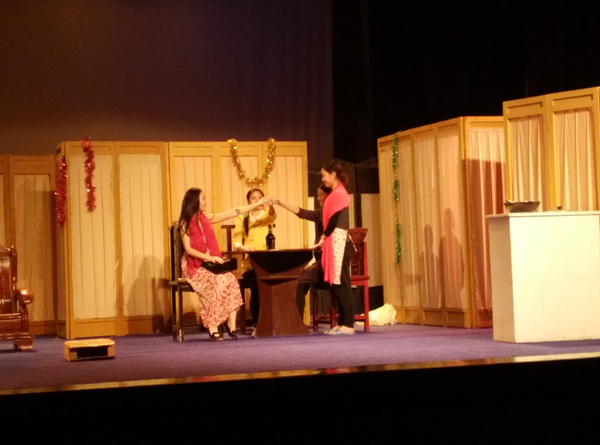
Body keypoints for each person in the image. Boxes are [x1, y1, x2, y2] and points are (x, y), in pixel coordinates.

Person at [178, 187, 270, 341]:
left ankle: (231, 323)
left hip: (209, 265)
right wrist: (210, 258)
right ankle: (213, 325)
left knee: (230, 279)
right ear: (194, 201)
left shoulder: (206, 218)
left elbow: (233, 212)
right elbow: (188, 249)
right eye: (203, 199)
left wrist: (254, 205)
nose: (206, 202)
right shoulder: (185, 223)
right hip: (194, 266)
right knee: (217, 281)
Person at [277, 184, 331, 319]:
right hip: (320, 263)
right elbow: (302, 213)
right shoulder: (320, 214)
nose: (319, 198)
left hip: (329, 264)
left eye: (321, 195)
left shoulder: (333, 216)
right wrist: (282, 204)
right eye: (318, 195)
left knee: (300, 282)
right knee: (301, 281)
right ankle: (298, 321)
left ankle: (298, 321)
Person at [314, 160, 355, 335]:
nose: (322, 179)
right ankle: (342, 322)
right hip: (334, 241)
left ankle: (348, 324)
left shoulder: (339, 193)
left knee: (342, 283)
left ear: (333, 174)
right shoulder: (334, 193)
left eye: (324, 175)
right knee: (337, 283)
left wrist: (323, 237)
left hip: (340, 242)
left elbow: (334, 220)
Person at [232, 188, 277, 326]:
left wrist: (271, 205)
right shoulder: (242, 218)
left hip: (267, 262)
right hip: (250, 264)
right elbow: (236, 242)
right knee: (256, 286)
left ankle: (272, 321)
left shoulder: (266, 214)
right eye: (253, 198)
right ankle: (258, 322)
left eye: (259, 198)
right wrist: (245, 249)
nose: (257, 201)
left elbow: (272, 215)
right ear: (248, 201)